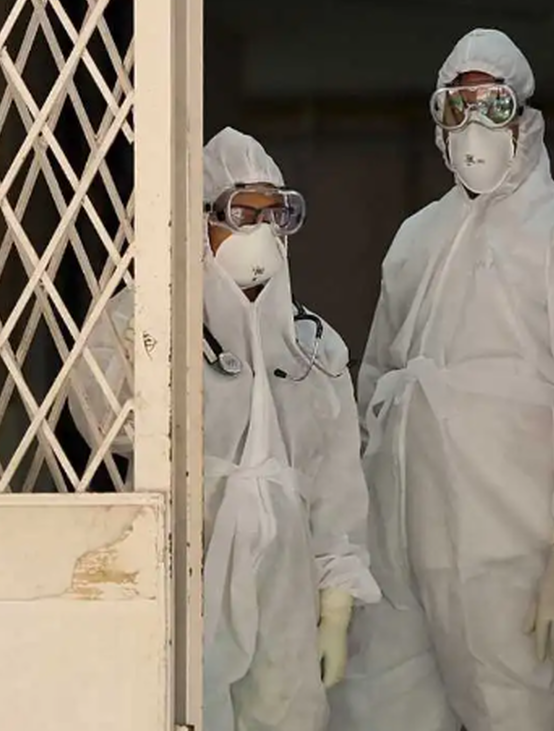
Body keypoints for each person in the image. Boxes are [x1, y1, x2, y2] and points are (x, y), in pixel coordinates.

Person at [328, 28, 554, 731]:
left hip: (509, 540)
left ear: (524, 116)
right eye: (455, 107)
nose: (472, 127)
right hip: (396, 531)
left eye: (492, 106)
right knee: (375, 708)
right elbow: (374, 382)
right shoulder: (416, 239)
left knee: (517, 710)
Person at [67, 128, 380, 731]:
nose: (259, 231)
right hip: (187, 568)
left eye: (274, 214)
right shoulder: (145, 317)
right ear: (200, 219)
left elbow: (338, 482)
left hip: (283, 589)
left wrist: (336, 600)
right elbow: (108, 426)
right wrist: (146, 346)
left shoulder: (312, 345)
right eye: (241, 212)